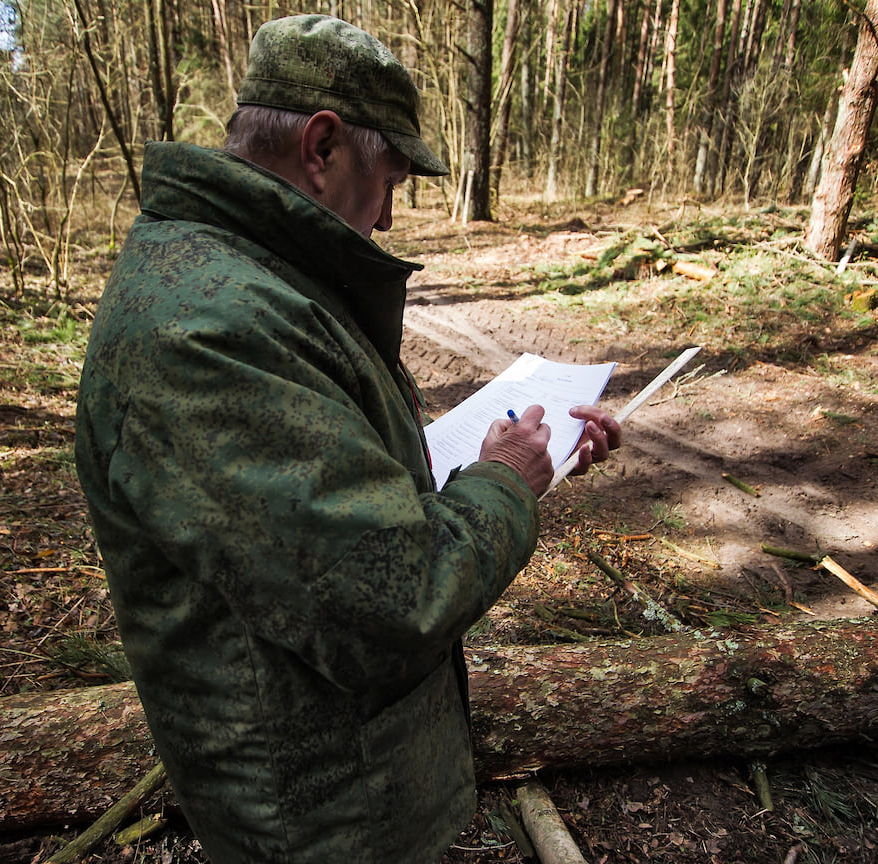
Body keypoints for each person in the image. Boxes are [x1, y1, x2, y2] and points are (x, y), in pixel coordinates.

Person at [74, 14, 621, 864]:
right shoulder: (209, 330)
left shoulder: (254, 277)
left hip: (338, 784)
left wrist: (514, 466)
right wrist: (503, 486)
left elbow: (326, 507)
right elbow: (395, 605)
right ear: (322, 149)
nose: (392, 216)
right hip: (316, 818)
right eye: (391, 178)